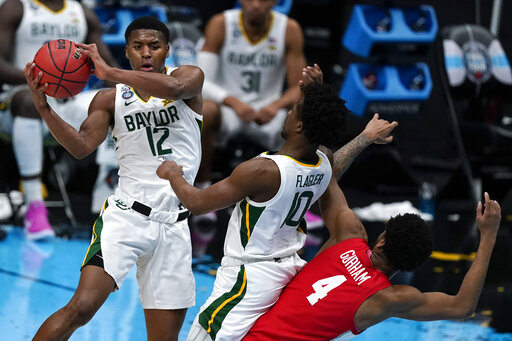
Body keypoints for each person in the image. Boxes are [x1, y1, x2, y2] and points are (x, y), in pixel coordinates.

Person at [156, 65, 398, 340]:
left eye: (294, 109)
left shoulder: (262, 171)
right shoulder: (322, 161)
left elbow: (197, 203)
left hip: (248, 277)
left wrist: (173, 175)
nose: (288, 112)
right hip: (289, 271)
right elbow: (334, 167)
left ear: (299, 125)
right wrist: (363, 137)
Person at [25, 16, 204, 340]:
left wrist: (109, 72)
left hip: (175, 226)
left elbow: (176, 88)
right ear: (128, 52)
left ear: (167, 50)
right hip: (126, 218)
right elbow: (80, 147)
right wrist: (45, 109)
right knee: (81, 307)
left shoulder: (188, 78)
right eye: (138, 46)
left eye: (154, 46)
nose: (146, 53)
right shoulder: (109, 99)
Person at [244, 178, 501, 339]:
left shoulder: (349, 234)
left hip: (243, 333)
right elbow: (463, 306)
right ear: (411, 265)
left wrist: (364, 138)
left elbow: (327, 173)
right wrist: (488, 235)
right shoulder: (389, 298)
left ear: (381, 241)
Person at [191, 0, 308, 253]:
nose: (256, 4)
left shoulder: (289, 29)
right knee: (205, 110)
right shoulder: (221, 24)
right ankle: (202, 190)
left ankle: (292, 202)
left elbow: (298, 86)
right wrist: (234, 103)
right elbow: (200, 79)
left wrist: (275, 106)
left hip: (268, 111)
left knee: (306, 115)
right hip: (229, 109)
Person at [0, 0, 117, 240]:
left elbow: (107, 66)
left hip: (67, 102)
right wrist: (38, 80)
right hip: (18, 99)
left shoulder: (82, 11)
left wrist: (131, 90)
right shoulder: (16, 7)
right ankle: (35, 207)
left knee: (117, 102)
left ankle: (110, 203)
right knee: (29, 101)